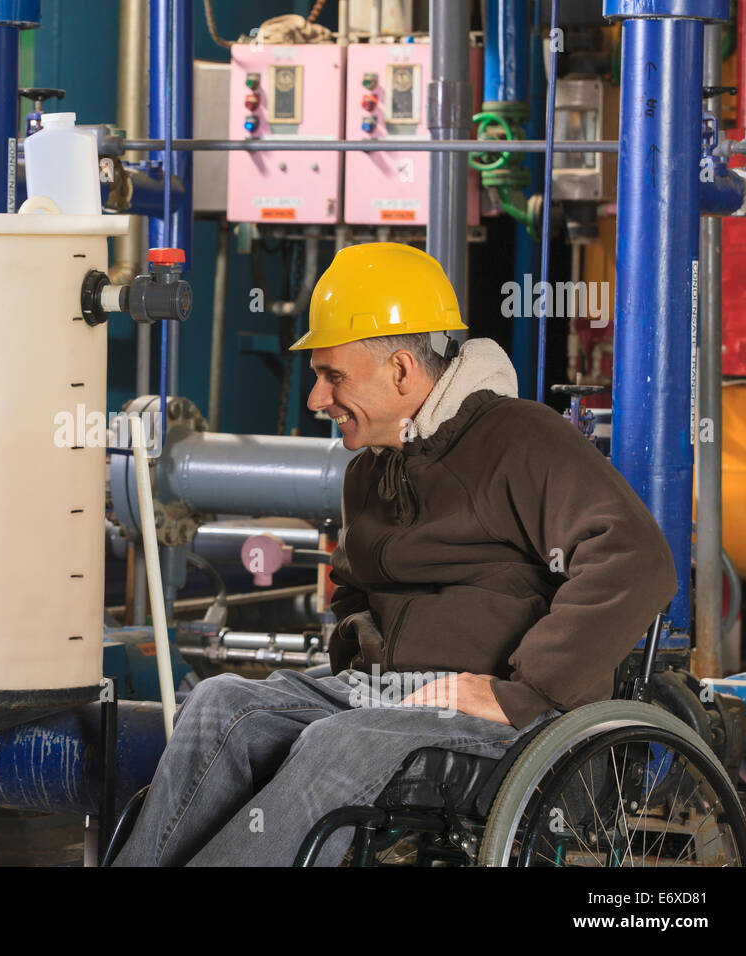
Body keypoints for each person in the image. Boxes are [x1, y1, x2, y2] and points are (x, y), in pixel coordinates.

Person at [111, 243, 676, 867]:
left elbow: (635, 559)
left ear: (402, 371)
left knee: (337, 744)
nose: (315, 401)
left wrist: (528, 689)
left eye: (332, 377)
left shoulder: (521, 438)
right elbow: (351, 587)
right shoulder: (368, 473)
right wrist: (359, 654)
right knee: (220, 703)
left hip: (504, 713)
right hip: (385, 693)